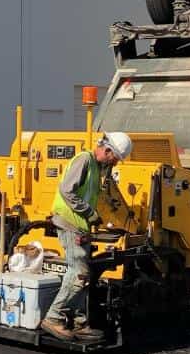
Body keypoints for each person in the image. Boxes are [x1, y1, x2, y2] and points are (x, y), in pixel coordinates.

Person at [41, 131, 133, 342]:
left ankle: (78, 322)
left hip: (80, 226)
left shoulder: (96, 167)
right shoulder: (84, 160)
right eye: (115, 159)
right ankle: (53, 317)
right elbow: (67, 191)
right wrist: (89, 212)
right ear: (107, 150)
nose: (115, 164)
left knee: (85, 274)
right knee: (79, 273)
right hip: (69, 222)